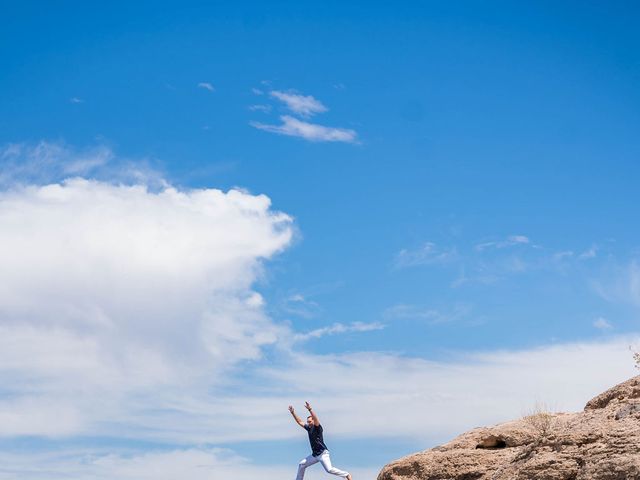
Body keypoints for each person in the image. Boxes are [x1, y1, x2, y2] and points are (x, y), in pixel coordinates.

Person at [288, 402, 352, 480]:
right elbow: (299, 422)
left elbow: (316, 418)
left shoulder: (318, 427)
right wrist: (293, 413)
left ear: (313, 421)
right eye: (308, 422)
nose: (308, 423)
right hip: (315, 455)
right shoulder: (308, 428)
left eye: (310, 421)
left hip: (323, 454)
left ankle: (346, 475)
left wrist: (310, 409)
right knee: (302, 464)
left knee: (329, 470)